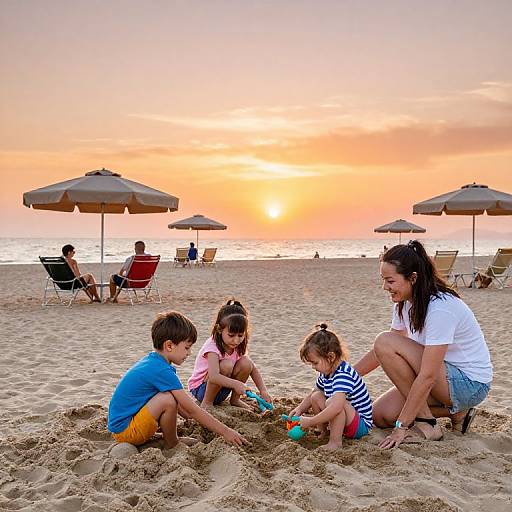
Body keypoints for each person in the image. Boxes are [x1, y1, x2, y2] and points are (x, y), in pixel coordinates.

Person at [353, 240, 493, 449]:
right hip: (442, 379)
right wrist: (345, 377)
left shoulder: (440, 308)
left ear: (413, 278)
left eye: (390, 280)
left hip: (469, 383)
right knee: (379, 415)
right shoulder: (404, 303)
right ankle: (457, 412)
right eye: (383, 280)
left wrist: (402, 427)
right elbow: (382, 353)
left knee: (384, 341)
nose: (385, 287)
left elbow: (426, 375)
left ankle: (428, 424)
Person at [108, 311, 248, 449]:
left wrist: (198, 421)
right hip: (126, 432)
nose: (189, 353)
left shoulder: (154, 362)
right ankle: (172, 443)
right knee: (166, 399)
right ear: (169, 346)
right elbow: (192, 409)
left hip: (126, 426)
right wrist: (225, 431)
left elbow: (185, 410)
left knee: (170, 397)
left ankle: (167, 438)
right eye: (187, 348)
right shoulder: (161, 370)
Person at [288, 324, 372, 451]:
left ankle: (335, 442)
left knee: (334, 402)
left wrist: (310, 421)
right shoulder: (326, 372)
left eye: (315, 363)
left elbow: (337, 407)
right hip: (345, 419)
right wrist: (300, 409)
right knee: (316, 396)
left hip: (359, 425)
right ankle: (323, 432)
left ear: (331, 357)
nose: (313, 367)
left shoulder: (343, 374)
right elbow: (315, 391)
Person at [188, 299, 272, 410]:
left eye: (240, 335)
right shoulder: (212, 347)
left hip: (222, 389)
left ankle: (235, 400)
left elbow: (253, 369)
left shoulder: (237, 346)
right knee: (226, 365)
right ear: (219, 329)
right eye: (231, 335)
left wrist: (263, 391)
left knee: (246, 363)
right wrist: (236, 384)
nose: (236, 340)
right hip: (202, 390)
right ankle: (207, 403)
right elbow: (213, 376)